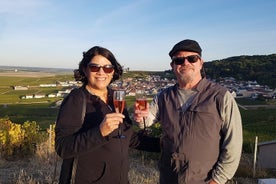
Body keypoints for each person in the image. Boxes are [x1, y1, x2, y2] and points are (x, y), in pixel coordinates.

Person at [134, 39, 243, 184]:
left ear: (201, 63)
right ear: (172, 66)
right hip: (169, 177)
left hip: (205, 179)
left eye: (192, 58)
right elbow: (146, 121)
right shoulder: (163, 96)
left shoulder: (220, 96)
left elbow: (233, 144)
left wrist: (218, 180)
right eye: (179, 60)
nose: (185, 63)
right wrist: (139, 117)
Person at [55, 46, 160, 184]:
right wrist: (100, 132)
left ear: (113, 72)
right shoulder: (77, 99)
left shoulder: (116, 97)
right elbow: (63, 147)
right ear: (85, 70)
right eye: (94, 67)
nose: (101, 72)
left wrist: (162, 145)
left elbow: (128, 137)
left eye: (107, 68)